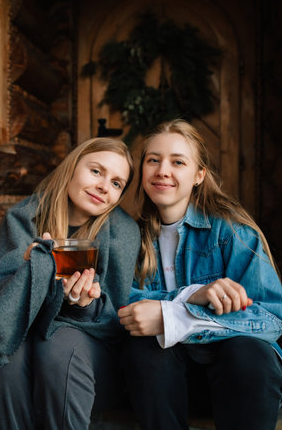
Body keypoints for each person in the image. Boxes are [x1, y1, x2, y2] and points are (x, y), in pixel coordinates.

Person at [118, 119, 282, 430]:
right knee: (146, 348)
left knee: (248, 351)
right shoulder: (129, 238)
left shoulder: (231, 233)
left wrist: (175, 314)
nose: (162, 170)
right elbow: (120, 301)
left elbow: (271, 320)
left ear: (199, 175)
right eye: (153, 160)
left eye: (178, 162)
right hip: (162, 389)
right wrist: (190, 296)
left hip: (236, 384)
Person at [0, 137, 140, 430]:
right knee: (6, 362)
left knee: (58, 346)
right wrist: (33, 265)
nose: (105, 186)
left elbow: (116, 322)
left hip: (92, 354)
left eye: (117, 183)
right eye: (96, 171)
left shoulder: (122, 234)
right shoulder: (23, 218)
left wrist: (84, 306)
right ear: (72, 167)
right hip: (23, 336)